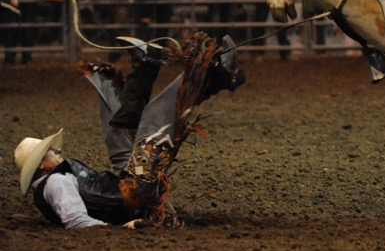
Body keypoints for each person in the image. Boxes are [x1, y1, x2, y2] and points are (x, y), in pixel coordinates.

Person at [13, 32, 245, 228]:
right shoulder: (55, 183)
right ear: (41, 165)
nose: (56, 149)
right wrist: (123, 227)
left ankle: (146, 65)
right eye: (50, 151)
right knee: (155, 116)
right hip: (133, 194)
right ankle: (212, 73)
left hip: (124, 187)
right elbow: (76, 220)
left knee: (116, 123)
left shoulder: (52, 182)